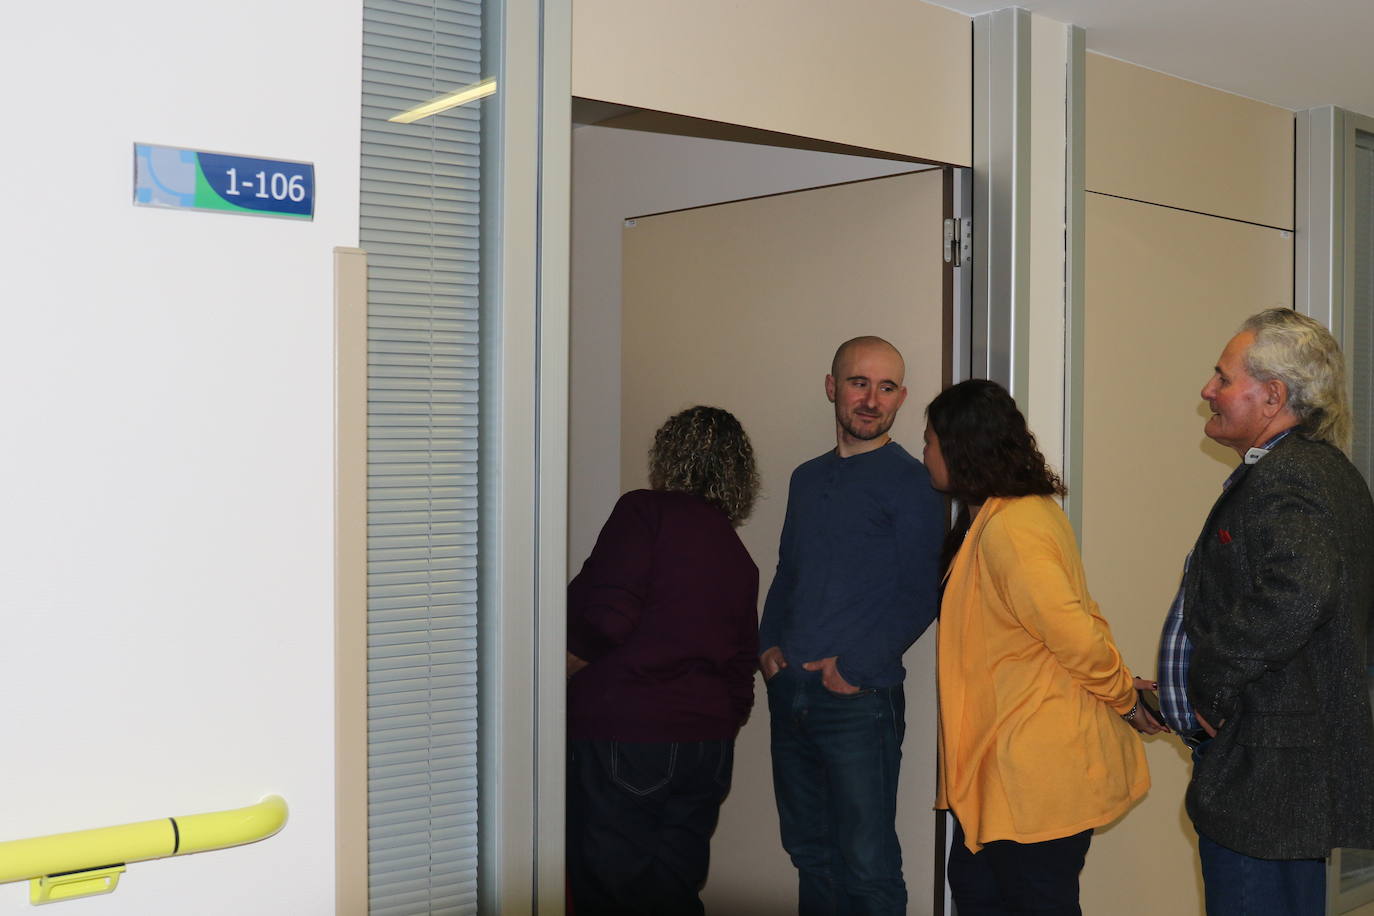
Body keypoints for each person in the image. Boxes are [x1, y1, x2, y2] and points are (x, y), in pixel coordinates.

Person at [1156, 308, 1374, 915]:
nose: (1208, 391)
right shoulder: (1321, 471)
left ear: (1272, 395)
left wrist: (1210, 683)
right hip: (1284, 771)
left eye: (1223, 378)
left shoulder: (1290, 475)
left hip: (1266, 775)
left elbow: (1299, 592)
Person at [926, 379, 1158, 916]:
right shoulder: (1006, 516)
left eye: (930, 440)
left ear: (960, 448)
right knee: (979, 889)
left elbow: (1074, 634)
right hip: (1005, 771)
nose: (925, 452)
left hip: (1032, 774)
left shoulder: (1013, 527)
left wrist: (1124, 697)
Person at [758, 335, 944, 915]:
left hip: (858, 703)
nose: (871, 399)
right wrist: (766, 644)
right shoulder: (805, 478)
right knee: (809, 854)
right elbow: (789, 569)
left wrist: (856, 668)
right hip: (791, 696)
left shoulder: (914, 482)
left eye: (886, 387)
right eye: (859, 383)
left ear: (902, 398)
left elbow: (923, 592)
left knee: (867, 868)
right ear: (832, 387)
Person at [565, 405, 762, 916]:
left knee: (610, 892)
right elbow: (743, 670)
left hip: (625, 735)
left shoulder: (642, 512)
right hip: (706, 747)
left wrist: (556, 669)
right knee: (674, 892)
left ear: (669, 455)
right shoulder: (737, 554)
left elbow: (607, 618)